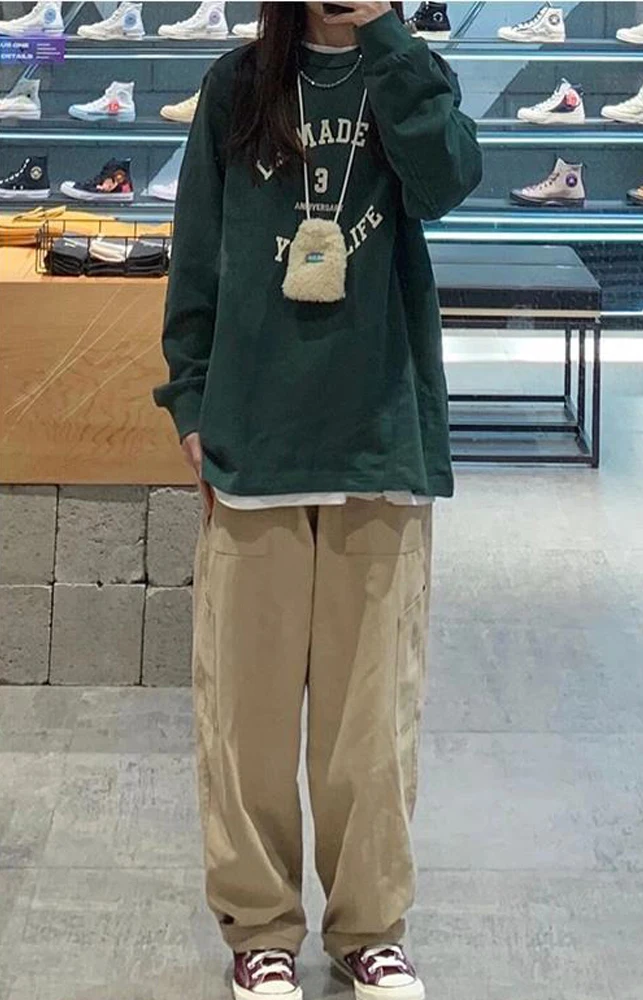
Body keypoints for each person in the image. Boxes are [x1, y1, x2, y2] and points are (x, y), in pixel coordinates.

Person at [152, 3, 482, 998]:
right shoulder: (235, 86)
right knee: (244, 719)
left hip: (379, 437)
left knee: (371, 723)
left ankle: (368, 928)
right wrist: (189, 394)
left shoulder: (411, 73)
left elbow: (448, 181)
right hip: (255, 441)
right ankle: (259, 930)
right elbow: (197, 248)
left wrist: (387, 38)